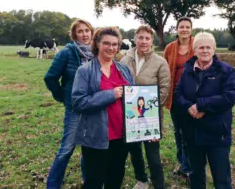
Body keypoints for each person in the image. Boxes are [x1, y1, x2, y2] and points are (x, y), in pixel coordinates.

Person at [71, 27, 134, 188]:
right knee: (94, 180)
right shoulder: (85, 71)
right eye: (106, 43)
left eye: (115, 44)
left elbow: (134, 100)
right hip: (96, 137)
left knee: (115, 178)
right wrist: (110, 95)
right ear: (97, 44)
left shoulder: (124, 70)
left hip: (121, 136)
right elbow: (78, 102)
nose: (111, 48)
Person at [175, 32, 235, 189]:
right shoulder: (187, 70)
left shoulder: (226, 71)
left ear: (214, 49)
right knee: (196, 178)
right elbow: (178, 93)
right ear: (194, 50)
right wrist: (188, 107)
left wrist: (201, 106)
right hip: (193, 133)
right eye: (201, 47)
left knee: (222, 179)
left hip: (217, 134)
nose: (205, 51)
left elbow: (229, 97)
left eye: (208, 47)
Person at [44, 19, 94, 189]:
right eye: (80, 31)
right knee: (67, 148)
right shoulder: (67, 52)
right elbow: (50, 78)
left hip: (93, 108)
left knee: (88, 148)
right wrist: (63, 96)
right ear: (74, 34)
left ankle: (87, 179)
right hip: (74, 108)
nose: (84, 34)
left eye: (87, 30)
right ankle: (53, 185)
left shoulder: (95, 52)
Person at [120, 25, 170, 189]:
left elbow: (164, 90)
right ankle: (142, 180)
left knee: (153, 156)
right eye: (140, 37)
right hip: (130, 117)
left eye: (147, 38)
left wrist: (150, 111)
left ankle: (159, 184)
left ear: (151, 41)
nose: (143, 41)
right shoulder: (124, 59)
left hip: (150, 118)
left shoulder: (160, 62)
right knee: (135, 152)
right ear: (135, 39)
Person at [163, 16, 195, 178]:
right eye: (181, 27)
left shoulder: (197, 46)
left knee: (189, 132)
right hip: (174, 97)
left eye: (187, 27)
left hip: (193, 98)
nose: (184, 29)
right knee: (178, 132)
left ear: (191, 29)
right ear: (177, 29)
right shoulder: (170, 48)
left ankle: (190, 166)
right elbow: (163, 71)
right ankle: (182, 161)